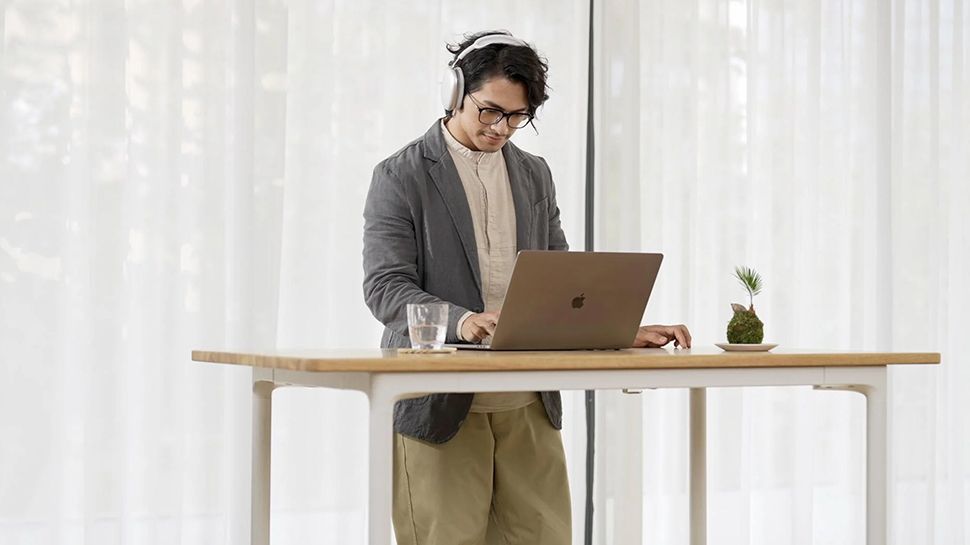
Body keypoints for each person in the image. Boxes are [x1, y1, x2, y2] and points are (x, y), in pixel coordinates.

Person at [362, 30, 691, 545]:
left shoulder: (535, 175)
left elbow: (561, 282)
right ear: (455, 92)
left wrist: (622, 330)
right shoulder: (401, 175)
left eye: (518, 117)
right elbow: (385, 287)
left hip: (529, 401)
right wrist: (465, 322)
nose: (502, 128)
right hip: (439, 404)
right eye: (490, 111)